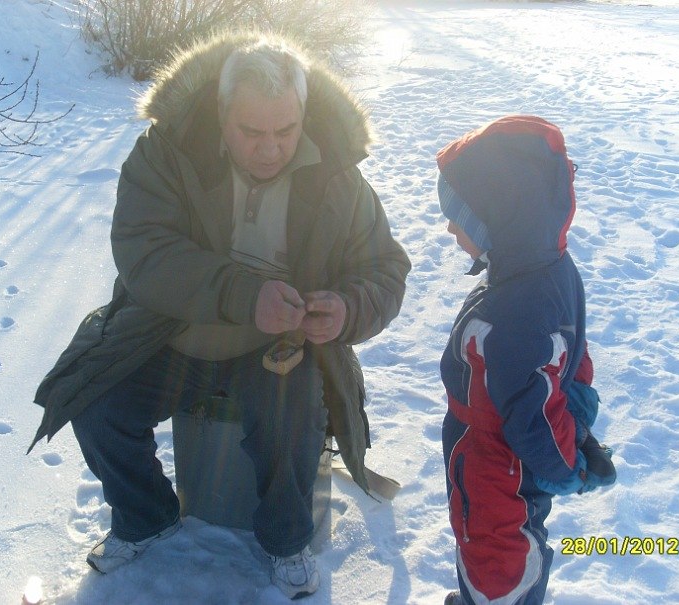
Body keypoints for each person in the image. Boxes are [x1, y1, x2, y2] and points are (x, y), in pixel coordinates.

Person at [28, 32, 410, 600]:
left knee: (292, 421)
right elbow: (144, 252)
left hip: (277, 348)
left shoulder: (339, 177)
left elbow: (385, 269)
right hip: (168, 332)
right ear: (220, 114)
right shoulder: (166, 154)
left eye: (286, 130)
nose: (270, 149)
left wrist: (347, 308)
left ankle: (286, 541)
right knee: (93, 399)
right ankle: (145, 516)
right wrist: (244, 294)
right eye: (251, 132)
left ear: (304, 115)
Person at [435, 116, 616, 604]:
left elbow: (532, 416)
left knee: (500, 569)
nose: (449, 227)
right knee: (498, 554)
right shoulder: (545, 268)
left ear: (496, 218)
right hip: (502, 460)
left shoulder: (517, 309)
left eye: (459, 215)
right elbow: (571, 352)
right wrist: (578, 417)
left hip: (496, 472)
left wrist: (568, 466)